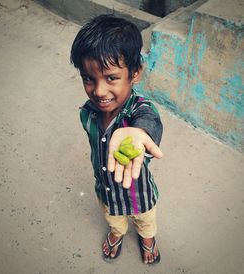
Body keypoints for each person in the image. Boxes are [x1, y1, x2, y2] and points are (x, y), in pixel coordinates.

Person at [70, 14, 163, 264]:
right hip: (106, 188)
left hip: (138, 192)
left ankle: (147, 240)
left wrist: (140, 131)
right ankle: (117, 232)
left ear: (135, 74)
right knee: (113, 218)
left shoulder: (138, 110)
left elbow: (149, 118)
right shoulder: (87, 114)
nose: (99, 91)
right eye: (89, 78)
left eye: (111, 77)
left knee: (146, 220)